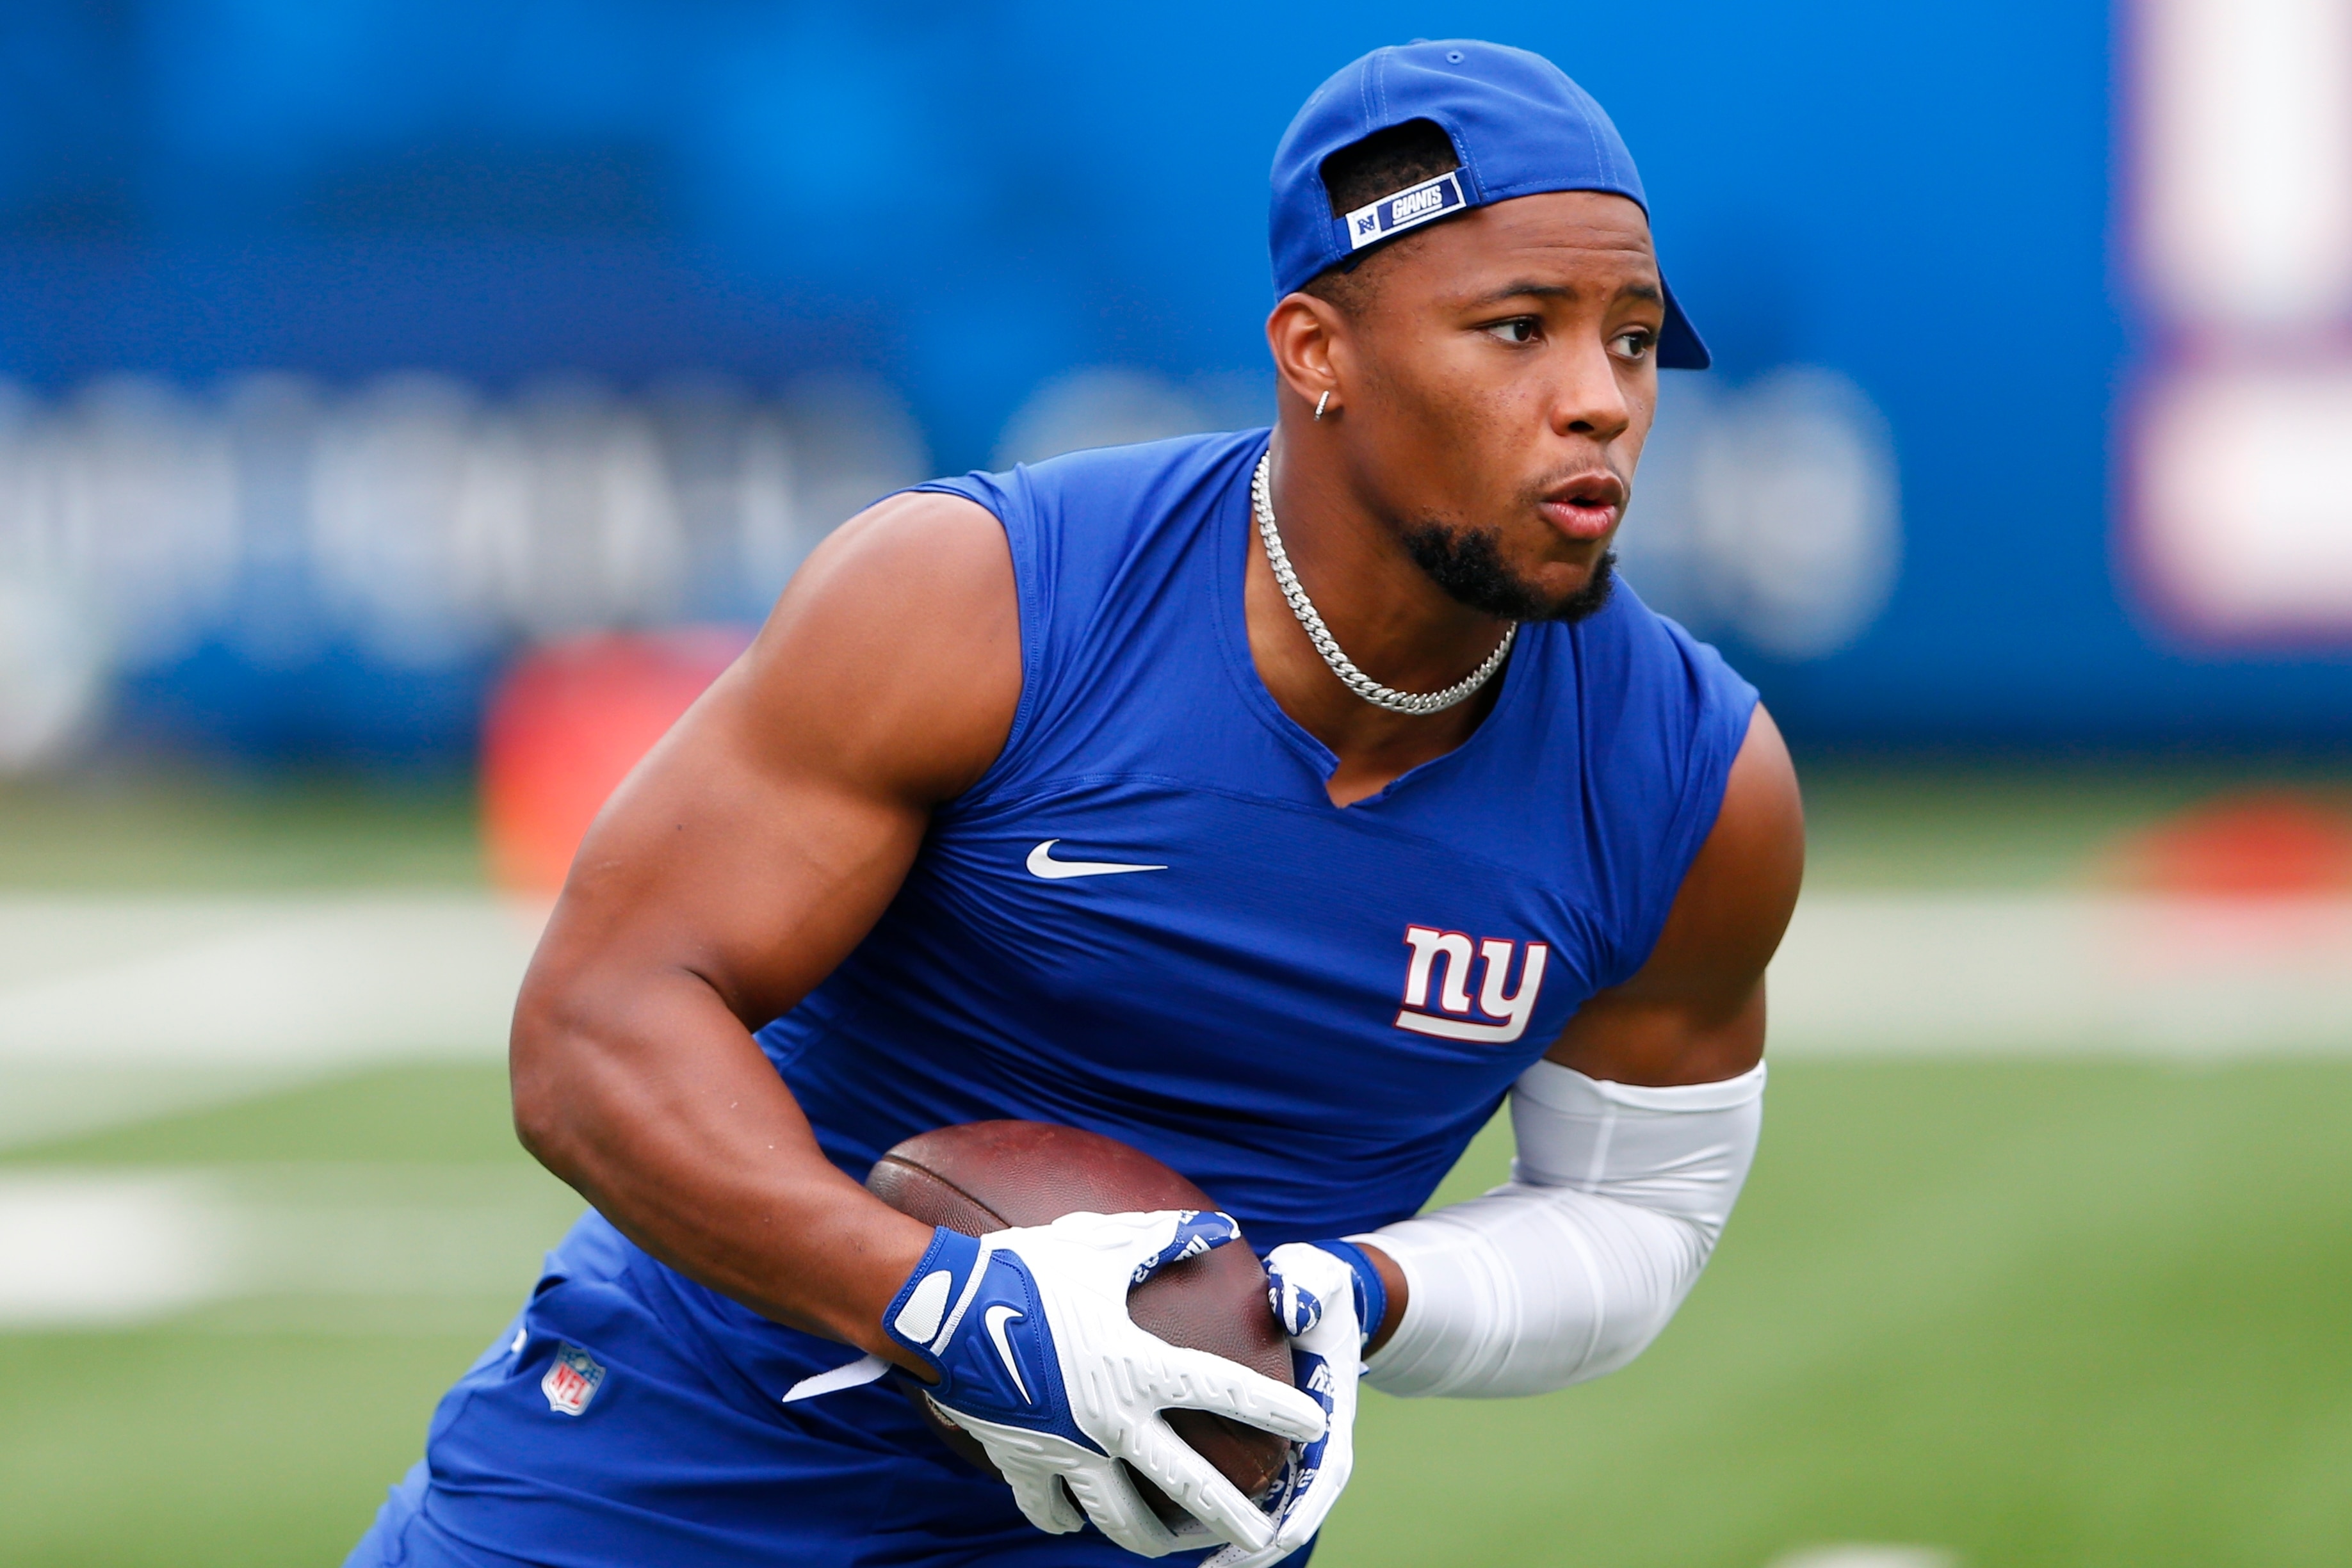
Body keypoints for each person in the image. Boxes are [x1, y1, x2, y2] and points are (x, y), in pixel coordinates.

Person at [348, 38, 1803, 1568]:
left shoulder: (1690, 780)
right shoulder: (980, 599)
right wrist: (946, 1307)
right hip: (656, 1485)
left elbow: (1637, 1214)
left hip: (1141, 1531)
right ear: (1317, 352)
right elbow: (595, 1029)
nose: (1599, 403)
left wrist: (1358, 1294)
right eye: (1517, 330)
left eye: (1632, 342)